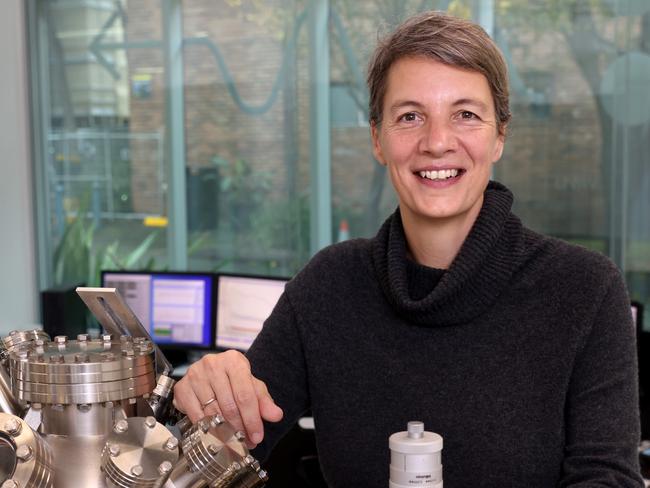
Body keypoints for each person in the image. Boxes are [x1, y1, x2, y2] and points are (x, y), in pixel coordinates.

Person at [174, 11, 643, 487]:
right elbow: (216, 455)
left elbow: (608, 479)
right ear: (378, 139)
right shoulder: (329, 286)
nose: (437, 142)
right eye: (410, 116)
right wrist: (207, 403)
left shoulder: (584, 291)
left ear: (499, 134)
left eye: (466, 114)